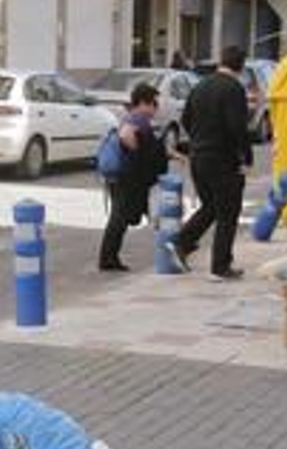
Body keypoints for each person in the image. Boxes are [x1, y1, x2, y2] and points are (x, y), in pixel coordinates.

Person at [165, 44, 252, 281]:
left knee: (211, 207)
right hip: (223, 160)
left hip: (199, 157)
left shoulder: (200, 85)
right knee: (228, 213)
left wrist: (200, 141)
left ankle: (181, 242)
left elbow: (186, 119)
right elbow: (238, 127)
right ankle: (220, 267)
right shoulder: (234, 89)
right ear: (241, 66)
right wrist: (246, 156)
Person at [97, 83, 169, 273]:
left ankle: (175, 245)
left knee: (127, 216)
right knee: (121, 218)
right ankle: (108, 259)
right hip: (126, 178)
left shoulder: (133, 117)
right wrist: (136, 151)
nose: (156, 107)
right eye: (154, 102)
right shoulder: (138, 118)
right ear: (144, 102)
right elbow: (126, 135)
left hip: (125, 177)